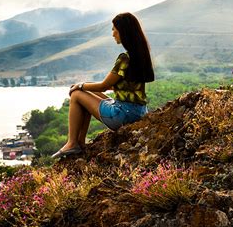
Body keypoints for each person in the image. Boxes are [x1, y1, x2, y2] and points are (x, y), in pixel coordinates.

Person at [51, 12, 155, 159]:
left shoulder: (124, 58)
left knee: (76, 95)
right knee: (85, 94)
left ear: (123, 31)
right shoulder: (139, 55)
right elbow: (115, 86)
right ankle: (80, 142)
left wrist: (80, 86)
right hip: (139, 112)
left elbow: (104, 86)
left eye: (114, 29)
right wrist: (84, 85)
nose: (113, 34)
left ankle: (72, 142)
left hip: (123, 115)